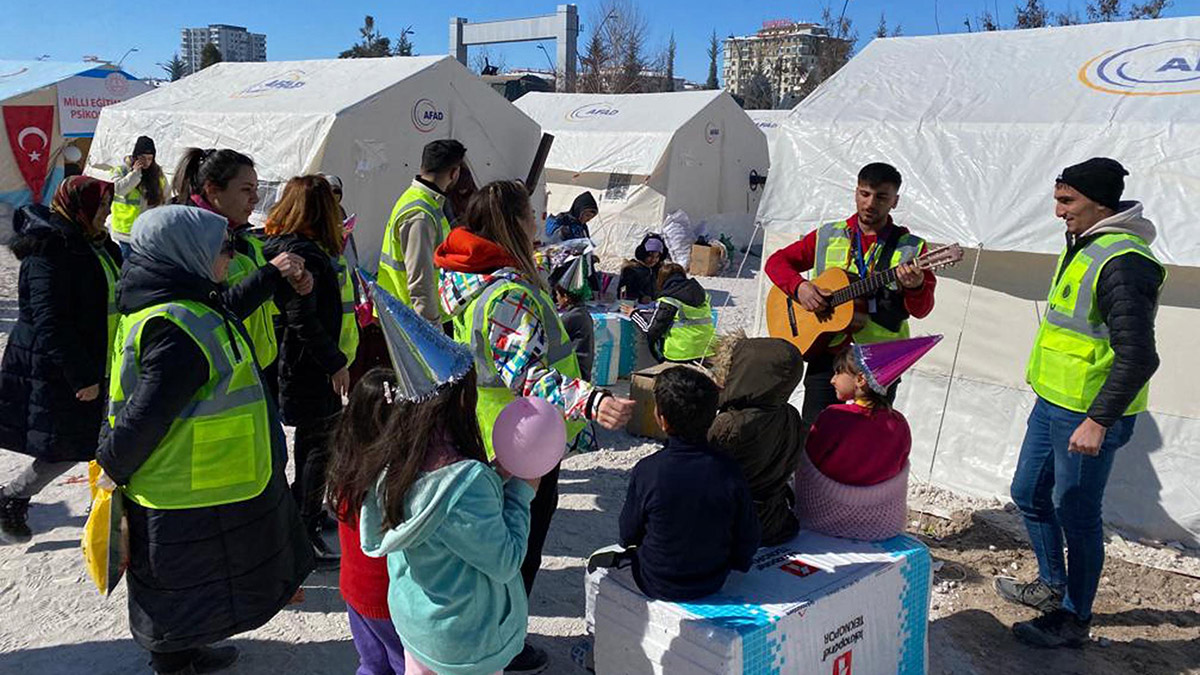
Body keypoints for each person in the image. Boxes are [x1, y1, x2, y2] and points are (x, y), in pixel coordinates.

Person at [96, 205, 313, 674]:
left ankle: (189, 647)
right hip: (177, 487)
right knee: (177, 586)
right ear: (187, 253)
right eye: (224, 249)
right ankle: (172, 660)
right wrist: (111, 466)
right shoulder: (174, 326)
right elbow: (145, 416)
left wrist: (269, 279)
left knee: (198, 583)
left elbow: (223, 312)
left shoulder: (187, 301)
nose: (231, 258)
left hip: (200, 483)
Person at [435, 179, 634, 673]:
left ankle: (494, 638)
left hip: (488, 429)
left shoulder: (468, 278)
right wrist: (591, 400)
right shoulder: (506, 292)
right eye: (531, 215)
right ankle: (503, 645)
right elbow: (525, 373)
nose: (539, 223)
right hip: (519, 442)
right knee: (518, 549)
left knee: (496, 547)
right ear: (513, 224)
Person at [996, 158, 1164, 649]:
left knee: (1078, 515)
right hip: (1054, 402)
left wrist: (1098, 420)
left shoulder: (1124, 262)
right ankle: (1052, 585)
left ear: (1099, 202)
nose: (1057, 212)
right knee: (1028, 493)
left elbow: (1139, 356)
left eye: (1067, 201)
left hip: (1086, 414)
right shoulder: (1085, 244)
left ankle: (1074, 617)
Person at [337, 288, 537, 675]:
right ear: (460, 401)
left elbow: (441, 516)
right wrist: (521, 492)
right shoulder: (465, 481)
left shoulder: (393, 460)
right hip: (465, 643)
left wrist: (494, 481)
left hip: (419, 626)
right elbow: (505, 561)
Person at [764, 162, 936, 425]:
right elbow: (776, 263)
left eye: (881, 197)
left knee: (867, 436)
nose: (870, 204)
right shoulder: (829, 234)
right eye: (864, 194)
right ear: (855, 192)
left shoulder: (912, 248)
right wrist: (800, 288)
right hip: (828, 350)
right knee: (815, 432)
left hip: (880, 359)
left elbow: (922, 310)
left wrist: (915, 286)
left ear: (895, 201)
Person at [0, 177, 121, 543]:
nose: (109, 212)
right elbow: (49, 318)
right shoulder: (51, 249)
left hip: (103, 360)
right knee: (71, 444)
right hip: (62, 367)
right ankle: (11, 497)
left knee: (94, 439)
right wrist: (81, 375)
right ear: (79, 208)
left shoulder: (98, 245)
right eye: (101, 206)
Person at [263, 175, 359, 569]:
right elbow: (304, 316)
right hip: (309, 366)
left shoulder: (277, 248)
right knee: (318, 446)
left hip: (290, 362)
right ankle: (304, 530)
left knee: (311, 445)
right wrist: (334, 362)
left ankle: (301, 519)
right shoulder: (309, 255)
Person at [618, 366, 760, 600]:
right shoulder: (728, 468)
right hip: (713, 580)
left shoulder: (648, 471)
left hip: (656, 581)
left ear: (663, 421)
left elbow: (627, 534)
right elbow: (748, 538)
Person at [174, 148, 314, 369]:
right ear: (212, 190)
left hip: (248, 366)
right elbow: (213, 314)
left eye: (256, 189)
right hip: (215, 371)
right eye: (246, 190)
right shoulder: (189, 240)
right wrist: (271, 273)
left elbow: (258, 298)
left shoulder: (238, 235)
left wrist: (290, 283)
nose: (256, 199)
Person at [793, 338, 939, 542]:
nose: (832, 380)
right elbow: (898, 463)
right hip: (880, 523)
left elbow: (810, 460)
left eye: (838, 372)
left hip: (824, 514)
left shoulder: (833, 416)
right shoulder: (899, 422)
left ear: (860, 379)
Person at [327, 369, 406, 675]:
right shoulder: (397, 476)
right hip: (389, 597)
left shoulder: (344, 461)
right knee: (404, 665)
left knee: (371, 664)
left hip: (354, 588)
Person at [708, 334, 806, 547]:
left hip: (735, 521)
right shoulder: (789, 414)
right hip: (774, 517)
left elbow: (705, 473)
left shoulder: (731, 422)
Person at [379, 139, 466, 324]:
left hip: (407, 315)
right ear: (454, 173)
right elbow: (420, 283)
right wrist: (433, 336)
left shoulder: (419, 201)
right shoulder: (421, 213)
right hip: (415, 321)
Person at [643, 262, 716, 364]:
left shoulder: (669, 300)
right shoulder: (702, 294)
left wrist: (634, 314)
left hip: (681, 352)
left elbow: (655, 329)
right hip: (707, 349)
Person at [108, 135, 168, 258]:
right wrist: (135, 174)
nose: (146, 162)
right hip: (126, 231)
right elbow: (118, 189)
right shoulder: (121, 171)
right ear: (135, 156)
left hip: (147, 231)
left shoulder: (157, 174)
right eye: (143, 158)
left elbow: (165, 198)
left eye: (150, 158)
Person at [617, 234, 668, 303]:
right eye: (650, 256)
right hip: (634, 306)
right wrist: (640, 298)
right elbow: (623, 292)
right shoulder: (632, 270)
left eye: (657, 257)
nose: (653, 260)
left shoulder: (658, 270)